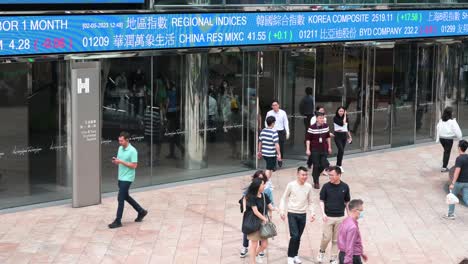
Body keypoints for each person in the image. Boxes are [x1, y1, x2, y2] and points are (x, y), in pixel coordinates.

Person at [108, 131, 148, 229]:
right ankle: (141, 211)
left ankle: (118, 220)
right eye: (119, 141)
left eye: (121, 141)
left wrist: (121, 161)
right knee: (126, 196)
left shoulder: (133, 151)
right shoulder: (120, 148)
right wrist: (116, 161)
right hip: (121, 177)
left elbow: (134, 165)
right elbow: (119, 162)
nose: (120, 143)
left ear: (127, 140)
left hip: (128, 178)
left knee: (120, 198)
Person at [279, 166, 316, 264]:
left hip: (303, 214)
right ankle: (290, 257)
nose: (305, 177)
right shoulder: (291, 185)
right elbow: (283, 198)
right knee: (294, 236)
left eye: (306, 175)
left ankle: (295, 255)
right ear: (298, 175)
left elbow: (311, 201)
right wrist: (282, 211)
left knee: (298, 237)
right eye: (303, 175)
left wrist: (312, 213)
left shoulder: (308, 186)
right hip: (292, 213)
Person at [317, 166, 351, 264]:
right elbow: (321, 200)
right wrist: (323, 213)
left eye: (332, 175)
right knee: (326, 237)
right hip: (328, 217)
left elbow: (347, 202)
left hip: (340, 217)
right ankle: (321, 251)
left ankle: (333, 258)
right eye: (329, 175)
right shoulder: (326, 186)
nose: (330, 177)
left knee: (336, 240)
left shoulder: (345, 187)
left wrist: (349, 216)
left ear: (339, 175)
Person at [240, 170, 274, 258]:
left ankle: (255, 253)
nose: (259, 180)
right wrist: (244, 209)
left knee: (262, 236)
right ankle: (245, 247)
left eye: (262, 179)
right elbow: (244, 197)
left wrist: (271, 214)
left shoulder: (267, 191)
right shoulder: (251, 190)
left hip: (262, 217)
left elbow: (270, 203)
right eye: (258, 178)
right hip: (252, 218)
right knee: (248, 232)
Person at [337, 199, 368, 264]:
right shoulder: (352, 227)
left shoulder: (346, 221)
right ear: (355, 210)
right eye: (361, 210)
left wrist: (361, 253)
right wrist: (348, 261)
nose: (362, 213)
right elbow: (349, 246)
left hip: (343, 255)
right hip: (352, 257)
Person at [306, 112, 331, 189]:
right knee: (316, 166)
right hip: (314, 149)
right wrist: (307, 149)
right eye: (320, 118)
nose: (322, 119)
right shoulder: (312, 127)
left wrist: (329, 147)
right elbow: (308, 139)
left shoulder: (326, 126)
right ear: (316, 119)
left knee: (324, 164)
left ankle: (315, 175)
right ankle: (316, 181)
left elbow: (328, 137)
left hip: (324, 148)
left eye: (323, 118)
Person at [444, 140, 468, 220]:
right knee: (466, 199)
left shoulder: (459, 159)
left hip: (459, 182)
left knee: (452, 197)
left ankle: (450, 214)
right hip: (467, 182)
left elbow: (457, 172)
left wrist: (452, 183)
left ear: (459, 148)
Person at [436, 107, 463, 172]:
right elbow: (457, 131)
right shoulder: (452, 122)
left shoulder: (441, 120)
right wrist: (460, 139)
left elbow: (438, 127)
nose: (453, 113)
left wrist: (438, 137)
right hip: (448, 139)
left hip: (441, 139)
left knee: (446, 151)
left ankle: (444, 166)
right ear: (450, 113)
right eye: (452, 112)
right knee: (447, 152)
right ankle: (444, 167)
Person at [265, 100, 290, 168]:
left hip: (280, 132)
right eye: (273, 105)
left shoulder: (283, 113)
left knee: (280, 147)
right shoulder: (269, 113)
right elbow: (266, 122)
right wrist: (268, 130)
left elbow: (286, 122)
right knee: (273, 147)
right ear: (271, 106)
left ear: (278, 105)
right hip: (272, 132)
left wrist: (287, 131)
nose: (275, 106)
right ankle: (273, 164)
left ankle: (280, 159)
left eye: (276, 105)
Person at [333, 106, 352, 171]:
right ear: (337, 111)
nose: (341, 112)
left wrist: (350, 137)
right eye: (340, 111)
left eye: (342, 111)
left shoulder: (346, 118)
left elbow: (347, 128)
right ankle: (339, 165)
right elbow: (342, 123)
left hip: (344, 136)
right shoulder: (335, 118)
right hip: (337, 136)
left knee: (341, 151)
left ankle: (338, 165)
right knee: (341, 150)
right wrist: (345, 116)